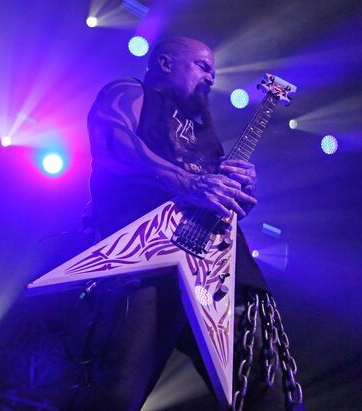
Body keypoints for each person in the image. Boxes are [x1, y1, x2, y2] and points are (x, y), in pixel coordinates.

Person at [71, 37, 302, 411]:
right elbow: (111, 143)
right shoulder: (131, 91)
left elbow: (217, 198)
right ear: (165, 63)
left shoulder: (205, 134)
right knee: (117, 390)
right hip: (146, 257)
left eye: (213, 70)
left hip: (219, 270)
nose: (211, 77)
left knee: (263, 391)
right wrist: (186, 181)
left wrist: (238, 193)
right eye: (202, 66)